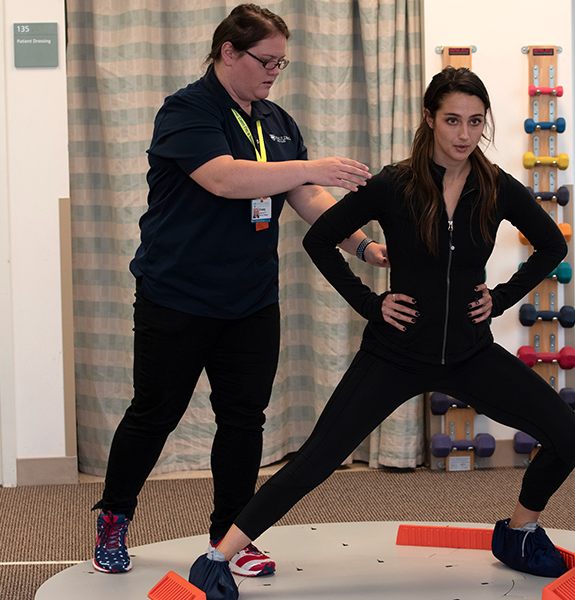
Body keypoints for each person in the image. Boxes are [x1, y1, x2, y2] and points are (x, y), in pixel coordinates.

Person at [188, 66, 575, 599]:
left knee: (569, 435)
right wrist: (372, 306)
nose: (464, 134)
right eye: (452, 120)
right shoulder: (395, 184)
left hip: (469, 353)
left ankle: (519, 533)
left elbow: (552, 245)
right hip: (395, 354)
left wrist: (502, 298)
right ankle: (217, 557)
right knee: (316, 460)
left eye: (474, 121)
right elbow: (321, 240)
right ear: (430, 119)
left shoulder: (496, 188)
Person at [90, 4, 388, 577]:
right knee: (155, 414)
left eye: (282, 63)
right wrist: (311, 165)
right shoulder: (187, 111)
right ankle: (114, 520)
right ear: (228, 51)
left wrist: (362, 245)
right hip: (177, 297)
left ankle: (231, 536)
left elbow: (306, 198)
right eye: (265, 60)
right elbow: (226, 178)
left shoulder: (277, 120)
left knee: (244, 419)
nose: (274, 71)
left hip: (250, 301)